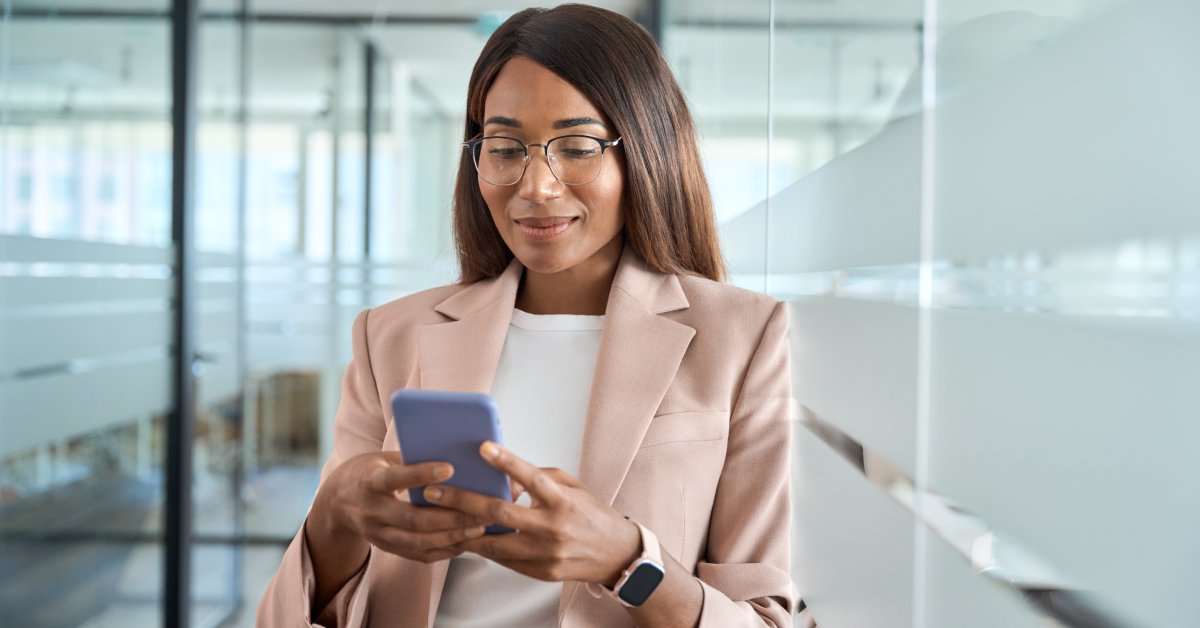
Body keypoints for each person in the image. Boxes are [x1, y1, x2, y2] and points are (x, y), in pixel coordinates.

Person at [258, 4, 798, 626]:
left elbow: (764, 618)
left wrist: (627, 560)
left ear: (646, 152)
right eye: (506, 146)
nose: (536, 185)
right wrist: (334, 514)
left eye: (576, 146)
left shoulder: (742, 337)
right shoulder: (391, 337)